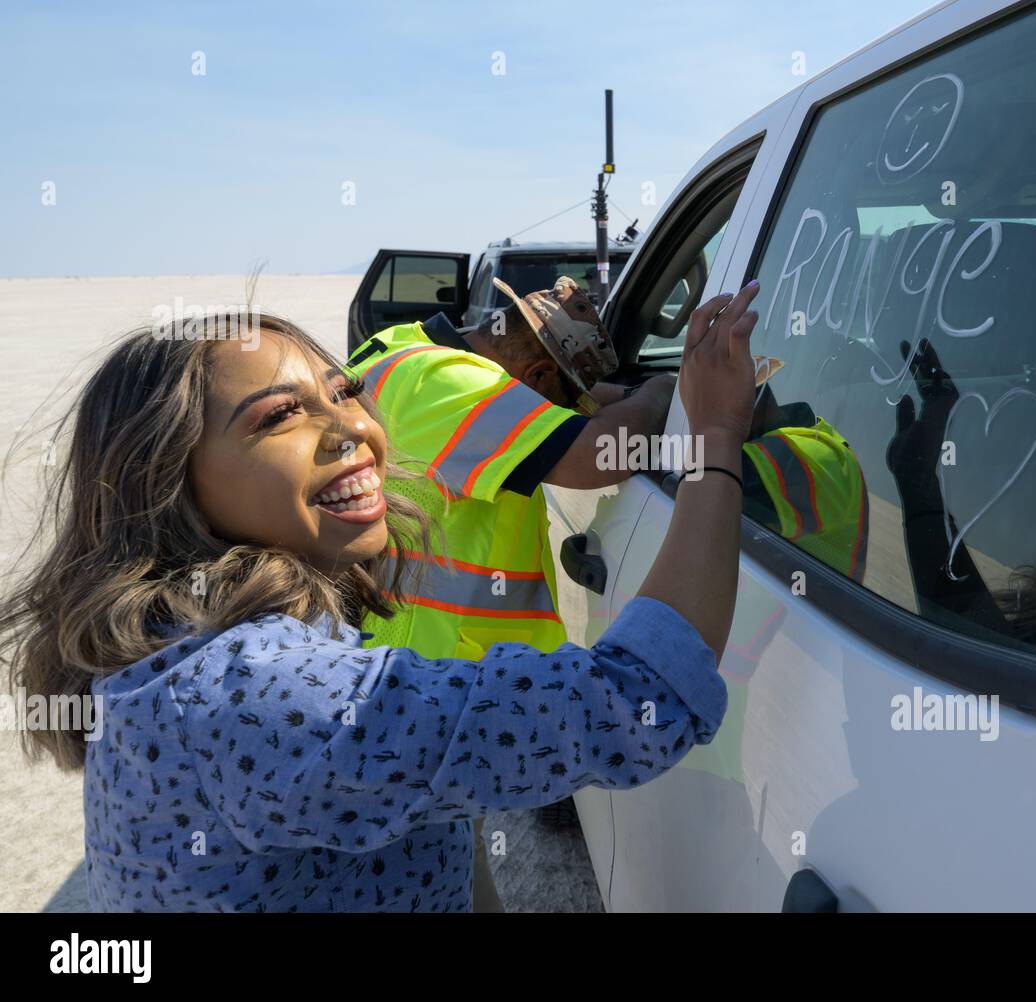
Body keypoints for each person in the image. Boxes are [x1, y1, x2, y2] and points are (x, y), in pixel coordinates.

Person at [0, 282, 761, 912]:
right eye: (279, 415)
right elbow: (639, 699)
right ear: (166, 481)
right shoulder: (272, 698)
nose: (355, 431)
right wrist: (716, 437)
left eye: (343, 394)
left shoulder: (182, 634)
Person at [346, 275, 673, 910]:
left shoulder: (399, 350)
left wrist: (626, 392)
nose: (569, 407)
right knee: (427, 874)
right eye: (559, 392)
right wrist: (665, 393)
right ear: (531, 368)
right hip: (419, 675)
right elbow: (599, 451)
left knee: (450, 862)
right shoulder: (451, 383)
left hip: (390, 659)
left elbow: (579, 405)